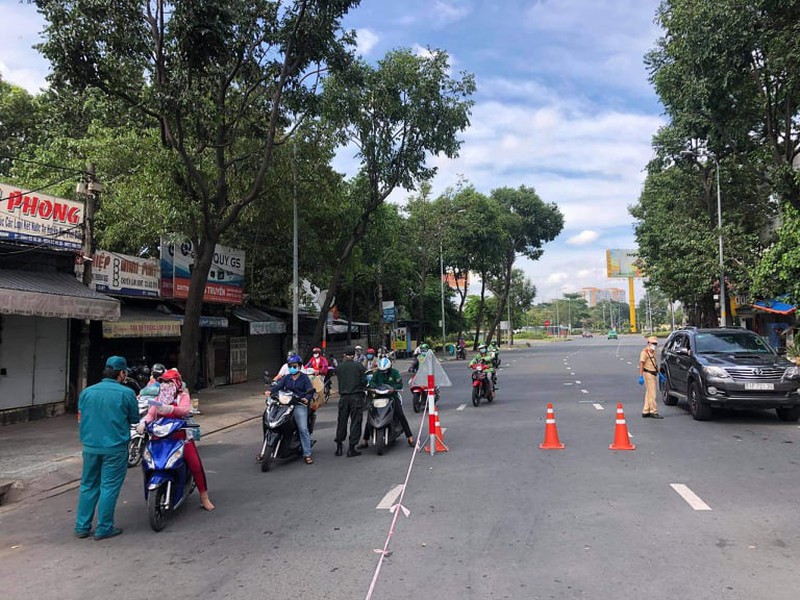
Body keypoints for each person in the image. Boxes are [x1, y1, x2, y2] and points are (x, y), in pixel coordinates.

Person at [74, 356, 140, 540]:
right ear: (122, 373)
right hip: (115, 448)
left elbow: (81, 418)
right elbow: (135, 419)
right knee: (109, 487)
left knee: (88, 485)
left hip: (90, 447)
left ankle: (82, 527)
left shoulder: (87, 392)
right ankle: (104, 528)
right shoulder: (126, 393)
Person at [138, 368, 215, 509]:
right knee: (147, 462)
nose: (166, 384)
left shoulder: (183, 396)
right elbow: (150, 414)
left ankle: (204, 496)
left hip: (180, 437)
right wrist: (143, 423)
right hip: (159, 437)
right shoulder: (157, 399)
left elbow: (185, 409)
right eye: (163, 381)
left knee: (195, 464)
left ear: (177, 383)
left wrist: (171, 409)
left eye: (169, 381)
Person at [270, 355, 316, 463]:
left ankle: (307, 454)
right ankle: (264, 452)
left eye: (294, 366)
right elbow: (278, 387)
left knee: (303, 429)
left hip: (299, 404)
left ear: (299, 366)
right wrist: (271, 391)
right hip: (286, 404)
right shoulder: (286, 377)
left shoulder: (304, 378)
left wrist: (306, 398)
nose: (292, 368)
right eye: (290, 366)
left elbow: (310, 390)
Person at [363, 357, 414, 448]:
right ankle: (365, 440)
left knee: (400, 415)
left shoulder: (395, 373)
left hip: (392, 397)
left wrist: (393, 388)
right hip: (379, 397)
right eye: (382, 370)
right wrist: (373, 388)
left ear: (389, 367)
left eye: (385, 370)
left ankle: (410, 437)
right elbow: (372, 383)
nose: (383, 372)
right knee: (370, 416)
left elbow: (399, 384)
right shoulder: (377, 374)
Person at [334, 347, 367, 457]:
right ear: (354, 354)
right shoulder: (359, 366)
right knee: (355, 422)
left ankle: (339, 446)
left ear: (344, 354)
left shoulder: (339, 367)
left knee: (342, 421)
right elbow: (364, 381)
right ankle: (351, 448)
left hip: (343, 398)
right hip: (356, 397)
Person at [639, 336, 663, 419]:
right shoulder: (644, 352)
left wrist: (660, 374)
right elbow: (641, 364)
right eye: (652, 343)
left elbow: (655, 364)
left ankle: (646, 411)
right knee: (653, 394)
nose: (654, 345)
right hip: (648, 374)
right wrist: (641, 376)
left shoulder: (653, 352)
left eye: (655, 343)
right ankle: (653, 411)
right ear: (648, 343)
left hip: (653, 374)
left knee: (648, 393)